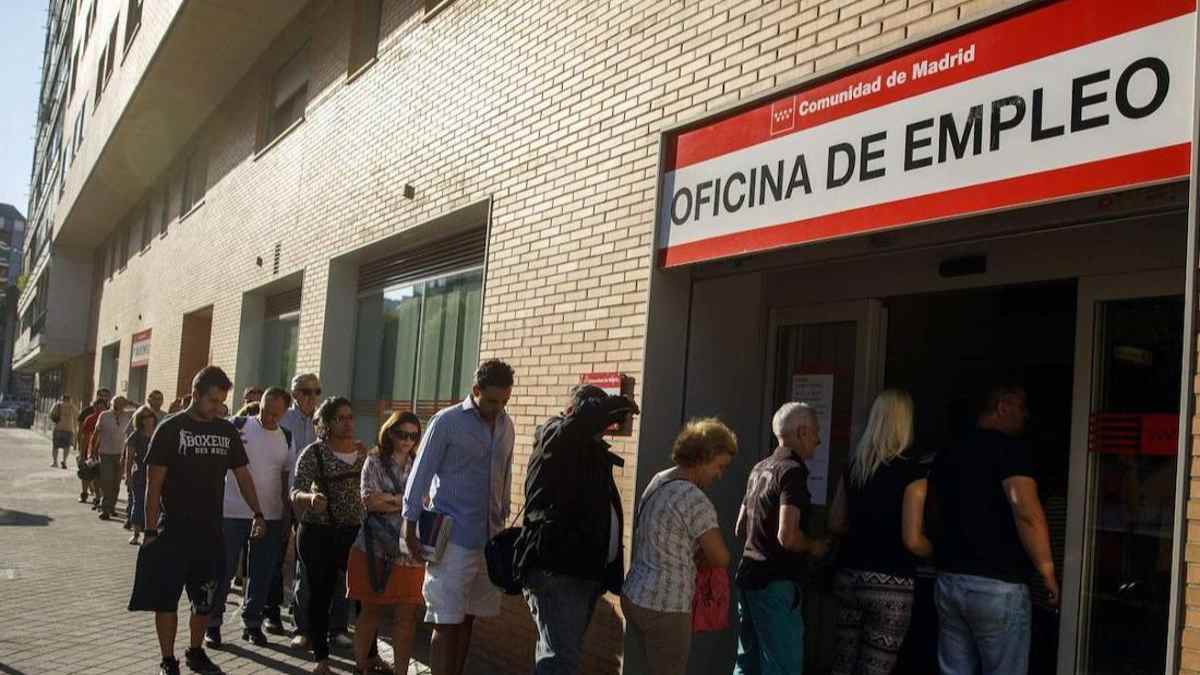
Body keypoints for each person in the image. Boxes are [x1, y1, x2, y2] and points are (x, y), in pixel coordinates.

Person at [128, 366, 270, 675]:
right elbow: (154, 484)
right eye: (212, 400)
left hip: (210, 532)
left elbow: (243, 476)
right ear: (195, 394)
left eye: (221, 401)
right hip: (172, 531)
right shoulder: (170, 429)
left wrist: (257, 512)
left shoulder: (226, 431)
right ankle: (168, 659)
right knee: (165, 600)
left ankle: (195, 651)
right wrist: (150, 530)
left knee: (205, 600)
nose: (217, 407)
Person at [931, 382, 1058, 675]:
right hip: (998, 587)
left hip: (949, 581)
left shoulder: (949, 451)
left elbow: (931, 509)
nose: (1025, 416)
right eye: (1022, 408)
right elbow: (1026, 512)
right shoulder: (1010, 451)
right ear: (1003, 406)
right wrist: (1047, 570)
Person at [513, 384, 639, 675]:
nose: (603, 427)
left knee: (558, 655)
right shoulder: (554, 438)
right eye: (597, 417)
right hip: (558, 571)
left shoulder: (585, 450)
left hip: (581, 573)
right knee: (560, 660)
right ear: (573, 413)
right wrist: (611, 405)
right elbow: (574, 427)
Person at [403, 359, 516, 675]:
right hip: (451, 540)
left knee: (468, 619)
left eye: (504, 401)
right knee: (446, 621)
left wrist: (502, 524)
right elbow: (420, 474)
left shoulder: (507, 426)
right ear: (476, 390)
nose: (497, 408)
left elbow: (504, 479)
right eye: (492, 400)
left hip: (488, 541)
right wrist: (409, 526)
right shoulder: (447, 422)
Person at [828, 391, 932, 675]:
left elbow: (835, 523)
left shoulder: (853, 468)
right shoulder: (914, 473)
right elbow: (912, 539)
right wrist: (935, 550)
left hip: (848, 576)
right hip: (891, 582)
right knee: (875, 668)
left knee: (842, 664)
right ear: (906, 423)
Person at [622, 418, 736, 675]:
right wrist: (699, 560)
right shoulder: (694, 499)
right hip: (667, 607)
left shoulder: (660, 479)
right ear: (703, 457)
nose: (720, 475)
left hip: (636, 594)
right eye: (719, 466)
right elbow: (721, 557)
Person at [733, 403, 830, 675]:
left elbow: (740, 527)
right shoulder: (792, 472)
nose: (819, 440)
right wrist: (814, 545)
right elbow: (787, 537)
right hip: (775, 583)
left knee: (746, 664)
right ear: (801, 432)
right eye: (815, 433)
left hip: (748, 578)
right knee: (782, 667)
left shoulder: (760, 468)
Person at [206, 387, 296, 648]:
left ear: (284, 412)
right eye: (266, 410)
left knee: (261, 572)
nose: (269, 417)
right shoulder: (238, 425)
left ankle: (252, 623)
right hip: (232, 512)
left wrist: (286, 516)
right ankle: (213, 623)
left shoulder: (287, 437)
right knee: (224, 569)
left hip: (271, 515)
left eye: (276, 413)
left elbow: (285, 477)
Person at [291, 397, 368, 674]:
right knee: (320, 595)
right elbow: (295, 491)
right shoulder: (314, 453)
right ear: (326, 423)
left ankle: (367, 657)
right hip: (319, 534)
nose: (347, 423)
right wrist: (310, 497)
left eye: (350, 417)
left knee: (363, 597)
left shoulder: (362, 453)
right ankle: (321, 659)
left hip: (355, 534)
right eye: (340, 418)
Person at [348, 410, 426, 674]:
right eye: (402, 434)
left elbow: (426, 502)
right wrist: (405, 501)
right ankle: (361, 666)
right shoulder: (374, 461)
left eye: (413, 436)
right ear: (390, 432)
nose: (407, 441)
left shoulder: (420, 464)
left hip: (410, 549)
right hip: (375, 548)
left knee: (407, 616)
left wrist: (390, 499)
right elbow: (370, 500)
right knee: (371, 611)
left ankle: (401, 671)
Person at [283, 373, 347, 648]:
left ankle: (337, 628)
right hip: (300, 504)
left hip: (338, 516)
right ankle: (303, 628)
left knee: (339, 575)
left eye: (316, 391)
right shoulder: (284, 420)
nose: (312, 396)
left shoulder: (326, 422)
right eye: (306, 391)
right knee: (306, 572)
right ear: (295, 393)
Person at [92, 396, 133, 520]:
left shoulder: (128, 415)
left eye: (122, 403)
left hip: (121, 454)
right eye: (116, 403)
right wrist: (93, 450)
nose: (118, 406)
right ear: (112, 403)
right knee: (107, 481)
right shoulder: (104, 415)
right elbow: (97, 433)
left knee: (116, 482)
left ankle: (112, 507)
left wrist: (131, 402)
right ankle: (105, 508)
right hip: (106, 453)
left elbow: (144, 408)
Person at [124, 406, 158, 546]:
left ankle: (151, 533)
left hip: (156, 472)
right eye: (145, 417)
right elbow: (129, 457)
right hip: (140, 472)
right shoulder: (135, 435)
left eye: (150, 415)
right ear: (140, 420)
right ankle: (136, 533)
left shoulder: (158, 433)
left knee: (155, 502)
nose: (149, 418)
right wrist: (128, 476)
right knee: (138, 502)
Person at [78, 397, 108, 506]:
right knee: (86, 473)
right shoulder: (90, 419)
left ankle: (98, 497)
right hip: (89, 450)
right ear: (94, 408)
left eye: (102, 407)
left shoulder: (108, 419)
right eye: (97, 407)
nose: (99, 410)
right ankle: (84, 493)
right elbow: (84, 437)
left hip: (104, 451)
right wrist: (82, 454)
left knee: (99, 476)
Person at [49, 394, 78, 469]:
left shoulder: (57, 405)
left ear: (62, 398)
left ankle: (55, 462)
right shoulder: (72, 406)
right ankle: (64, 461)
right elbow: (77, 415)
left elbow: (51, 414)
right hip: (68, 429)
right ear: (69, 399)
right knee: (66, 446)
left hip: (58, 428)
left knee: (55, 446)